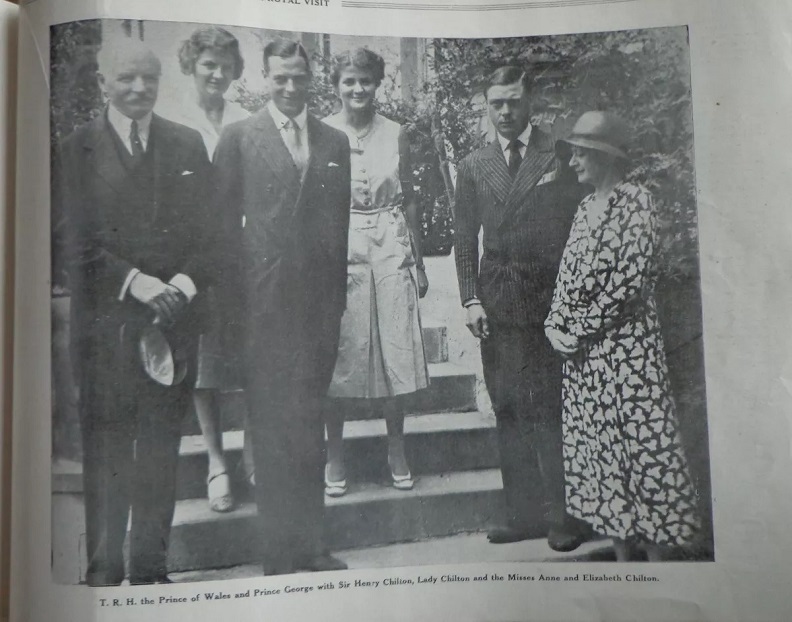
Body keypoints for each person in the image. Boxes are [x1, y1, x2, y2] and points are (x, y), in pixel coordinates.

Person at [55, 40, 212, 585]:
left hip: (172, 325)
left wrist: (182, 286)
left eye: (148, 78)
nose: (139, 88)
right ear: (103, 84)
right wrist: (135, 282)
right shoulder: (73, 151)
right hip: (105, 330)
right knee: (107, 451)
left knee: (160, 453)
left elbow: (211, 236)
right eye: (126, 79)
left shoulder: (188, 145)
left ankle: (151, 570)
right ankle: (102, 572)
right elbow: (66, 242)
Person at [212, 38, 351, 575]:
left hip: (316, 311)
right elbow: (221, 238)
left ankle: (313, 545)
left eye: (299, 77)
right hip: (262, 310)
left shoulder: (334, 141)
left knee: (308, 427)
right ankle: (277, 553)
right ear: (264, 79)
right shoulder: (240, 138)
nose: (291, 88)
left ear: (311, 77)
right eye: (280, 78)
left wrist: (335, 305)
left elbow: (337, 233)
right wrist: (231, 318)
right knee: (270, 431)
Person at [545, 111, 699, 561]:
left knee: (645, 453)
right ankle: (622, 565)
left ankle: (657, 570)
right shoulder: (583, 208)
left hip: (630, 354)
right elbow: (566, 277)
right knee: (600, 456)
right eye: (572, 153)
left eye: (580, 154)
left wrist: (578, 328)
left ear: (603, 156)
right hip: (586, 363)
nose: (572, 162)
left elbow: (630, 284)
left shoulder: (637, 202)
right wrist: (555, 327)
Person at [453, 65, 588, 550]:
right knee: (508, 405)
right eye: (496, 103)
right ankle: (523, 514)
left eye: (513, 102)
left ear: (530, 102)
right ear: (486, 106)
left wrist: (574, 299)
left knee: (550, 408)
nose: (505, 112)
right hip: (497, 300)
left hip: (550, 300)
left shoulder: (561, 152)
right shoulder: (473, 164)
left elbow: (582, 224)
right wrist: (470, 298)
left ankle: (567, 517)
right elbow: (465, 239)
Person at [323, 48, 429, 496]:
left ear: (377, 84)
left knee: (396, 348)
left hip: (389, 241)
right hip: (340, 242)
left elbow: (408, 200)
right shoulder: (323, 131)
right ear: (337, 85)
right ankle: (335, 454)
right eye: (348, 81)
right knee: (341, 348)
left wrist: (417, 260)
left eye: (365, 80)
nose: (357, 89)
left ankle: (396, 448)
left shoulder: (396, 133)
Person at [159, 25, 253, 513]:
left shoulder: (247, 119)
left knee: (254, 355)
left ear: (236, 70)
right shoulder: (172, 120)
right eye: (207, 65)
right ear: (191, 67)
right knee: (205, 364)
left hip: (245, 256)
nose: (217, 73)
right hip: (196, 259)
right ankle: (217, 462)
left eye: (224, 65)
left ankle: (255, 455)